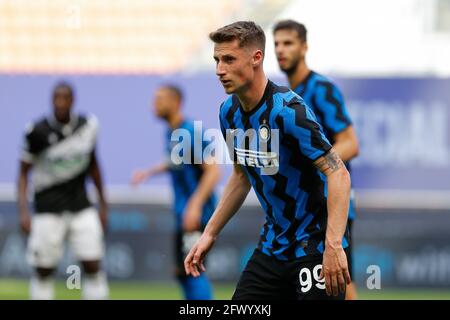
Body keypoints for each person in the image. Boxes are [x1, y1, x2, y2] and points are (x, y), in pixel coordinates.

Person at [184, 21, 351, 300]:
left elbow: (338, 173)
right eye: (216, 60)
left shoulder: (288, 110)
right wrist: (209, 234)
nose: (219, 70)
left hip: (314, 249)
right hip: (272, 249)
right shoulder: (228, 113)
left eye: (228, 59)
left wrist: (333, 246)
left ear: (256, 58)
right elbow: (241, 177)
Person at [273, 19, 360, 300]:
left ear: (304, 47)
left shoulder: (321, 88)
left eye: (288, 43)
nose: (281, 50)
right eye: (276, 44)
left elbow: (350, 142)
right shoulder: (282, 96)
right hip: (299, 210)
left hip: (329, 204)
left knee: (340, 283)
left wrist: (312, 165)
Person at [17, 81, 109, 300]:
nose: (60, 102)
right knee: (43, 269)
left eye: (64, 98)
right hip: (48, 207)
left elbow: (94, 166)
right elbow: (23, 174)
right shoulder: (36, 131)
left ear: (72, 100)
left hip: (81, 205)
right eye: (56, 98)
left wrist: (103, 205)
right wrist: (23, 211)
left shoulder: (88, 126)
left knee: (93, 263)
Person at [131, 85, 221, 300]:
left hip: (197, 215)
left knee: (193, 269)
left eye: (160, 99)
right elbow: (174, 161)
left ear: (176, 103)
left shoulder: (189, 132)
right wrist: (149, 172)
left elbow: (213, 171)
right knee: (183, 271)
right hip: (185, 214)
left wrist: (195, 205)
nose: (154, 104)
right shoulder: (172, 132)